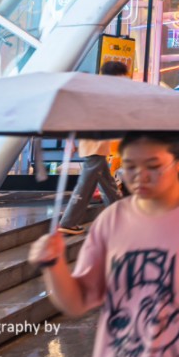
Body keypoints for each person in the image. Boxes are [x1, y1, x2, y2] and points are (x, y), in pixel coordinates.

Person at [28, 131, 179, 357]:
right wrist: (53, 264)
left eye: (153, 166)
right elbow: (77, 301)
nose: (139, 177)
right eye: (130, 166)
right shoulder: (111, 220)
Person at [57, 61, 127, 235]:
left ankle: (121, 217)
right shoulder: (102, 92)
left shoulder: (102, 91)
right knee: (85, 185)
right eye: (123, 75)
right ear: (117, 75)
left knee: (109, 186)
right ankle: (68, 221)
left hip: (97, 146)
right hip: (94, 145)